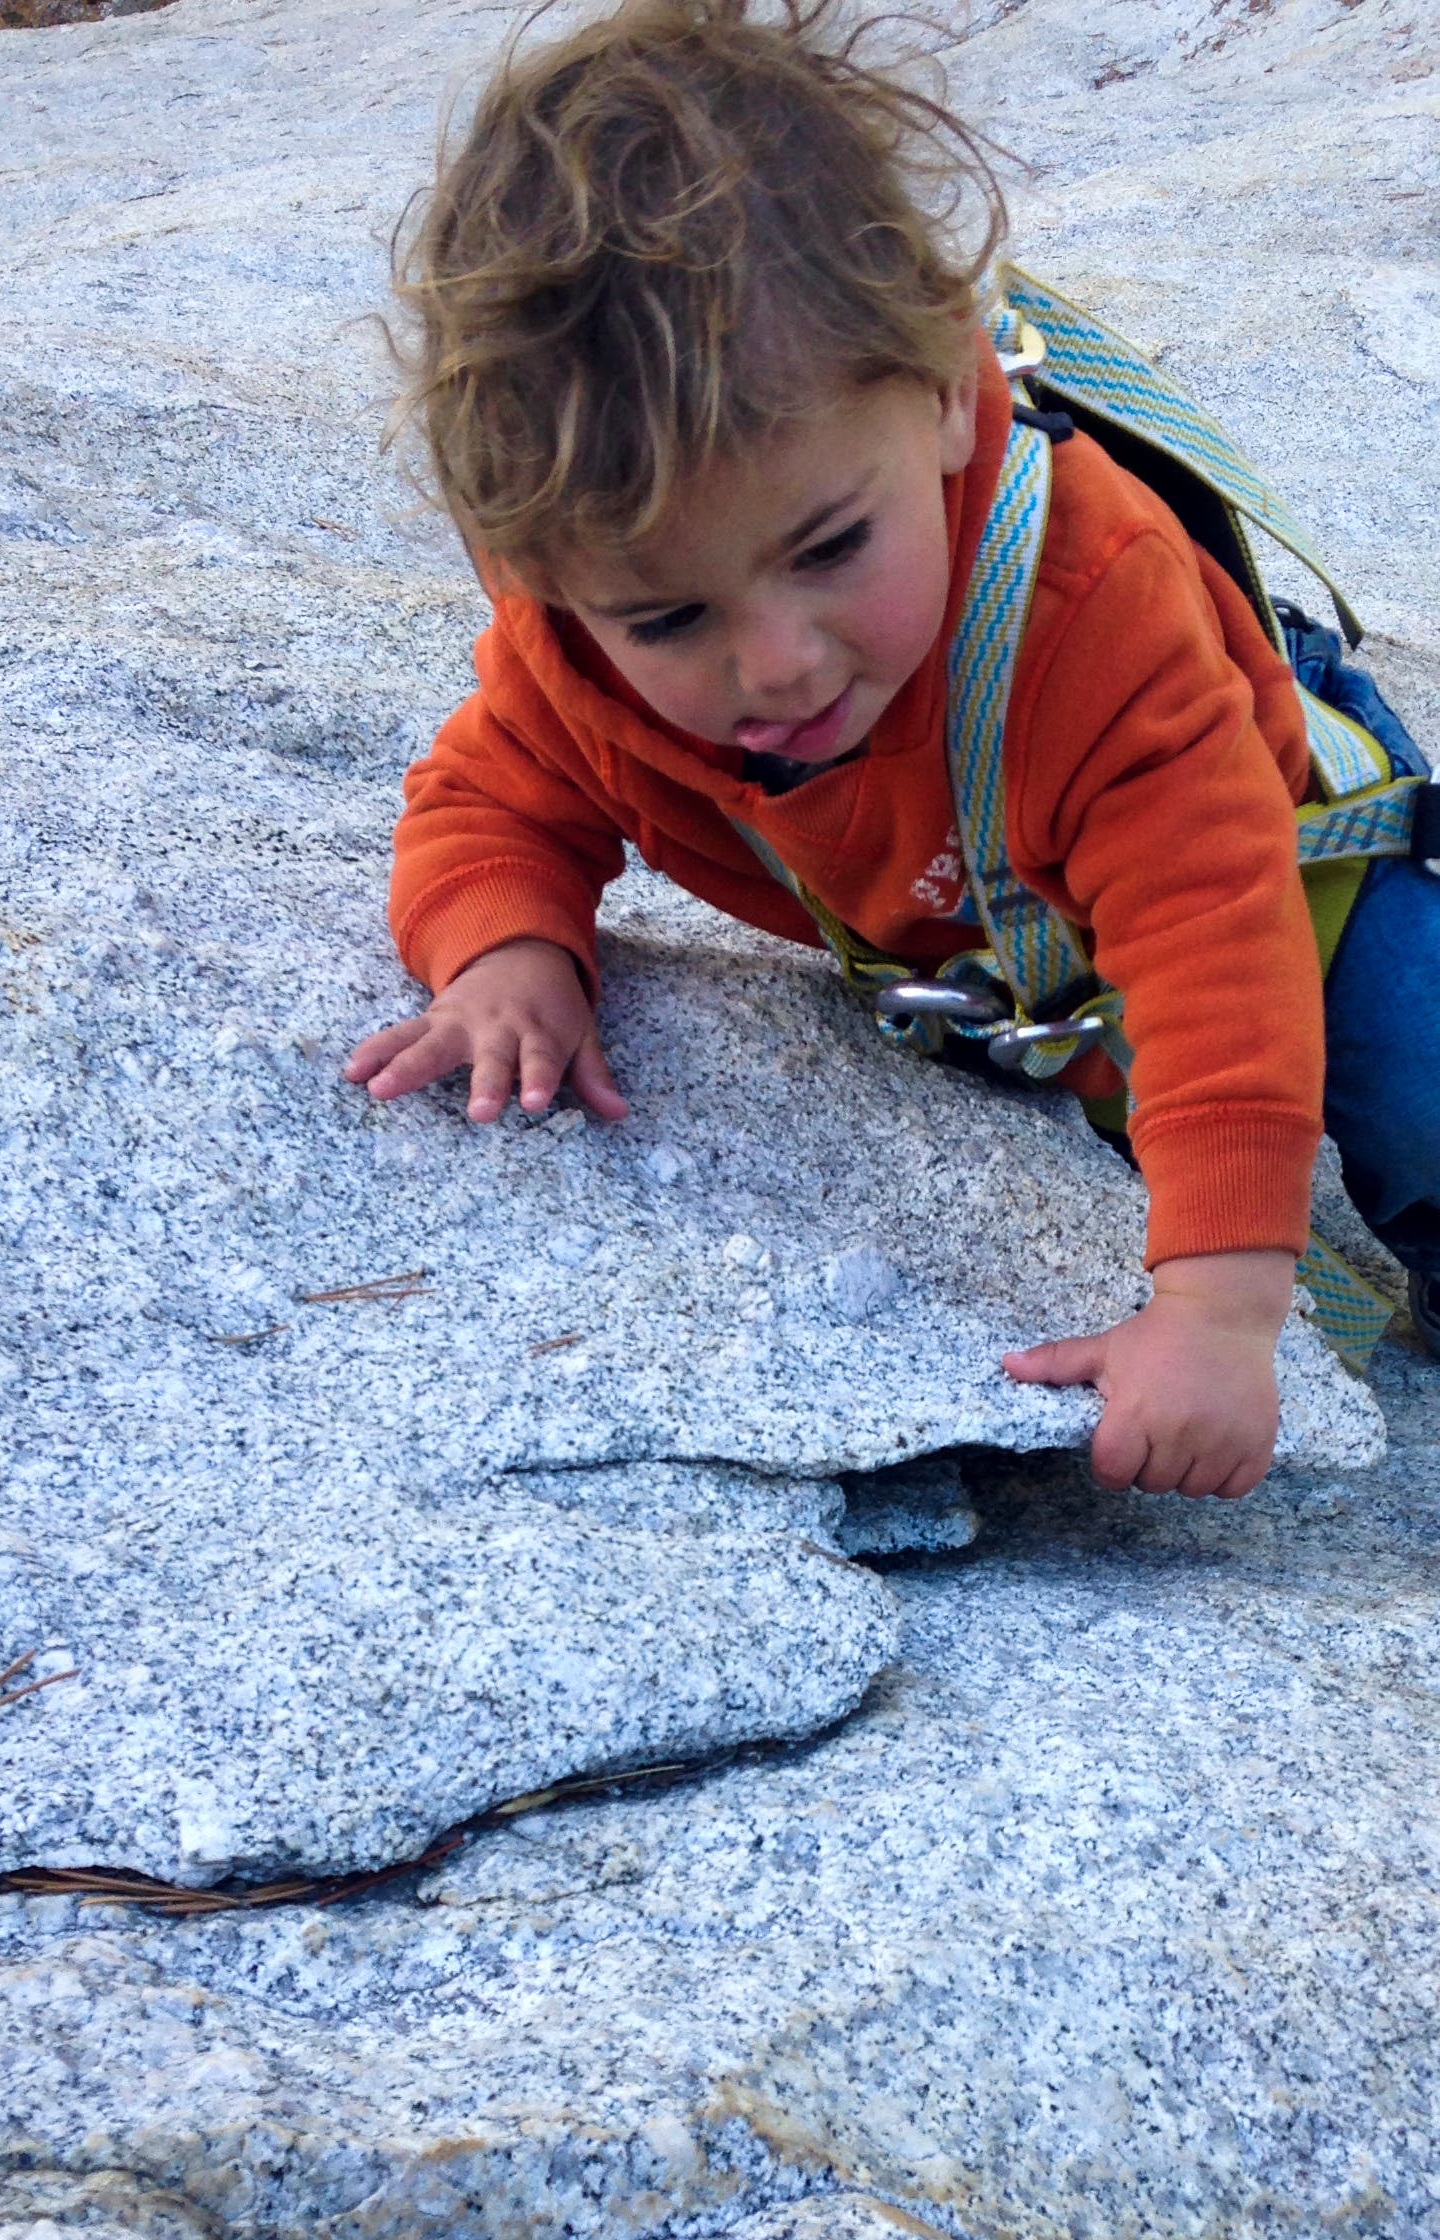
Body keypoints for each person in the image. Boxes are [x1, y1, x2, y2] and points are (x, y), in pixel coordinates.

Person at [342, 0, 1440, 1499]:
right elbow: (488, 795)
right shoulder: (581, 654)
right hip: (1012, 947)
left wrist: (1217, 1307)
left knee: (1418, 1087)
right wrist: (507, 951)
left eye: (831, 546)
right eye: (669, 614)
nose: (775, 662)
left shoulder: (1087, 609)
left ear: (936, 395)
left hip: (1280, 858)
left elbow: (1214, 941)